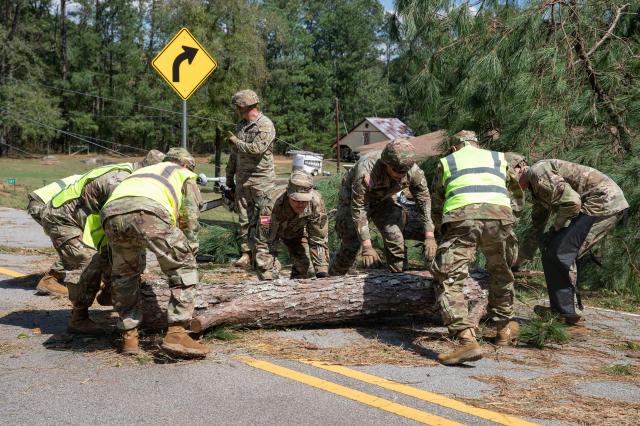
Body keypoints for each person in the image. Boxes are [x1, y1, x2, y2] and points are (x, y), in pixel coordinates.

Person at [40, 150, 165, 335]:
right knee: (90, 262)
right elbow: (121, 224)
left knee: (110, 253)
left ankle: (108, 293)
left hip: (86, 219)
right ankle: (78, 318)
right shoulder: (120, 182)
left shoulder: (132, 178)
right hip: (61, 219)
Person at [102, 148, 209, 359]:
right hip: (147, 211)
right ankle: (177, 332)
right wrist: (189, 251)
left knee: (125, 274)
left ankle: (129, 335)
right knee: (184, 267)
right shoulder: (183, 174)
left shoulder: (143, 172)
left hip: (111, 214)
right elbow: (190, 219)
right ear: (186, 165)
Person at [431, 130, 524, 365]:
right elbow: (516, 194)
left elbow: (438, 202)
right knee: (501, 271)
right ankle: (504, 329)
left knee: (450, 277)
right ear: (478, 145)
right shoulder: (498, 158)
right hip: (500, 216)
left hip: (462, 216)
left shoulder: (448, 161)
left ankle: (466, 340)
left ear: (454, 147)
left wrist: (441, 229)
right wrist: (509, 219)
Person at [513, 158, 629, 328]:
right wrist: (517, 262)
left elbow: (572, 202)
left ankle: (570, 316)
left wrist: (557, 227)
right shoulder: (536, 189)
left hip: (602, 201)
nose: (510, 187)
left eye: (509, 180)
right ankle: (561, 310)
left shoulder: (537, 172)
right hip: (595, 203)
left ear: (518, 168)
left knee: (562, 251)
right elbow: (535, 229)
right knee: (551, 249)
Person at [329, 138, 436, 275]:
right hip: (353, 202)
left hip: (383, 201)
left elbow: (423, 200)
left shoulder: (412, 170)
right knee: (351, 246)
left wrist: (429, 234)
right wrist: (367, 246)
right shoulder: (366, 170)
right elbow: (359, 208)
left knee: (396, 238)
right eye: (396, 170)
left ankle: (397, 281)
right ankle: (332, 280)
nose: (400, 175)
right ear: (386, 164)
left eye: (404, 171)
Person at [225, 89, 276, 268]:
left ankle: (263, 253)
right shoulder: (240, 126)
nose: (236, 110)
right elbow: (234, 155)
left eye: (238, 106)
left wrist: (236, 142)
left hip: (262, 180)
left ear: (244, 106)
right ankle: (246, 253)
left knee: (264, 217)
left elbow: (257, 149)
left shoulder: (265, 125)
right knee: (244, 219)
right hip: (243, 181)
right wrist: (229, 178)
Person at [253, 170, 329, 280]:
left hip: (295, 230)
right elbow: (264, 243)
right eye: (296, 200)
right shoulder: (270, 207)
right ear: (288, 194)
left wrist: (322, 271)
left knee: (305, 267)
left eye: (304, 200)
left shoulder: (316, 203)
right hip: (268, 234)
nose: (301, 204)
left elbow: (318, 239)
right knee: (268, 274)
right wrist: (268, 273)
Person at [27, 174, 82, 296]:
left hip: (45, 202)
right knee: (79, 244)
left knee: (75, 244)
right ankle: (50, 281)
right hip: (48, 205)